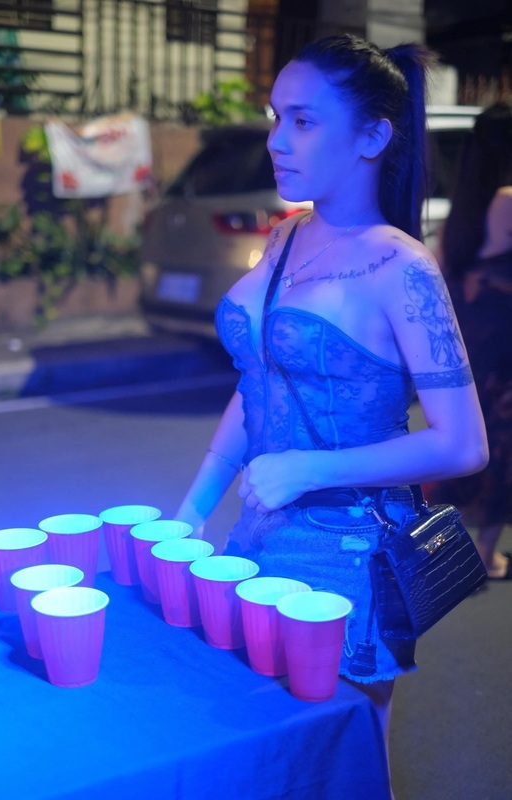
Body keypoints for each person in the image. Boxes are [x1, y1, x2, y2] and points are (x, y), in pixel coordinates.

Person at [175, 33, 488, 794]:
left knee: (338, 763)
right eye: (275, 116)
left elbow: (463, 443)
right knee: (265, 755)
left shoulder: (401, 266)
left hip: (349, 554)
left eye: (304, 121)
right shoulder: (287, 235)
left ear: (373, 137)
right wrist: (191, 509)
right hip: (256, 535)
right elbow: (258, 382)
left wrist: (310, 468)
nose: (277, 139)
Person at [428, 102, 512, 580]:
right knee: (499, 445)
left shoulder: (466, 205)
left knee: (467, 438)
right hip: (502, 340)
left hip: (470, 337)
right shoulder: (507, 198)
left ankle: (440, 545)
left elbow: (447, 267)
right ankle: (483, 553)